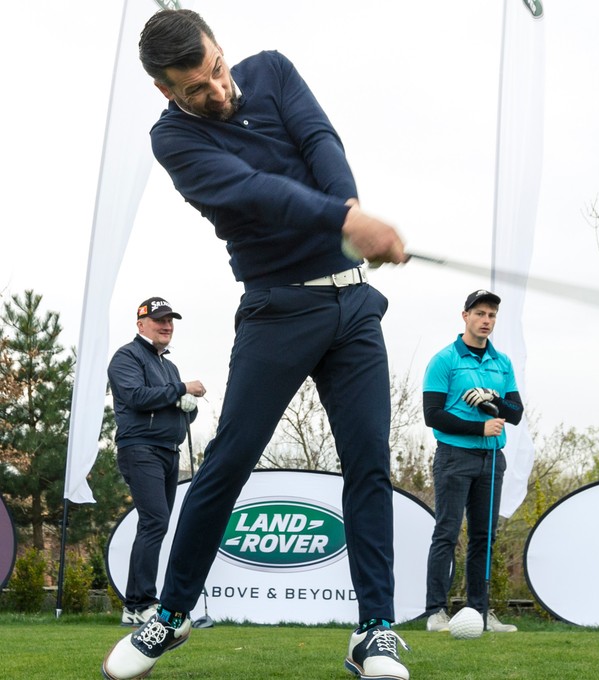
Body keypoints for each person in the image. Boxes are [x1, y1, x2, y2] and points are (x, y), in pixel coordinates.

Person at [103, 9, 410, 680]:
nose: (216, 90)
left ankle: (375, 630)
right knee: (229, 461)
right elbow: (254, 191)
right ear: (164, 91)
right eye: (194, 89)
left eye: (216, 70)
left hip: (354, 305)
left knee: (368, 464)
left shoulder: (270, 69)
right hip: (277, 309)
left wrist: (350, 213)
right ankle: (171, 613)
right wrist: (346, 220)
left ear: (220, 48)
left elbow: (319, 139)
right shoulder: (174, 140)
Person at [422, 290, 524, 634]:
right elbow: (432, 415)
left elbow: (516, 413)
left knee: (484, 538)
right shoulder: (445, 360)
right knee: (447, 533)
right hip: (454, 456)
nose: (486, 320)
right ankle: (436, 612)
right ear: (465, 315)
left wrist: (493, 399)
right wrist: (479, 426)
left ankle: (480, 613)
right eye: (480, 313)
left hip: (492, 459)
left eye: (491, 315)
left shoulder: (502, 362)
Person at [107, 297, 206, 627]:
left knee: (154, 524)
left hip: (168, 450)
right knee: (155, 522)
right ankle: (143, 602)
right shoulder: (127, 356)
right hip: (140, 448)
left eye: (170, 321)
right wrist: (181, 389)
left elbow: (176, 412)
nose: (166, 326)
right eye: (159, 320)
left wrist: (189, 407)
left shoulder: (169, 366)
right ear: (141, 324)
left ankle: (134, 605)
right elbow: (135, 396)